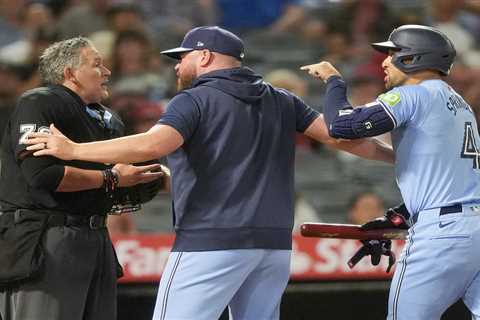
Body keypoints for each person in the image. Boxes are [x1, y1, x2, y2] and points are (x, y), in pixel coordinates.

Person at [24, 26, 394, 320]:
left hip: (211, 239)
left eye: (181, 57)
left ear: (204, 56)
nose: (176, 65)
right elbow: (340, 138)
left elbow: (154, 145)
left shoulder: (194, 98)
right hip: (274, 246)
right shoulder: (283, 99)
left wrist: (72, 150)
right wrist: (398, 158)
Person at [301, 24, 480, 319]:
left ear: (412, 58)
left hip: (442, 233)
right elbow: (448, 172)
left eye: (392, 53)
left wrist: (333, 80)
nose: (384, 61)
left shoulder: (415, 95)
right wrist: (400, 215)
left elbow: (343, 127)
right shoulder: (458, 103)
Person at [0, 37, 164, 320]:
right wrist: (112, 179)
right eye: (96, 64)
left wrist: (140, 181)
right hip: (46, 239)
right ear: (70, 73)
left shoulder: (108, 118)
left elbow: (116, 181)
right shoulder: (39, 102)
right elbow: (43, 176)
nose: (107, 72)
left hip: (96, 237)